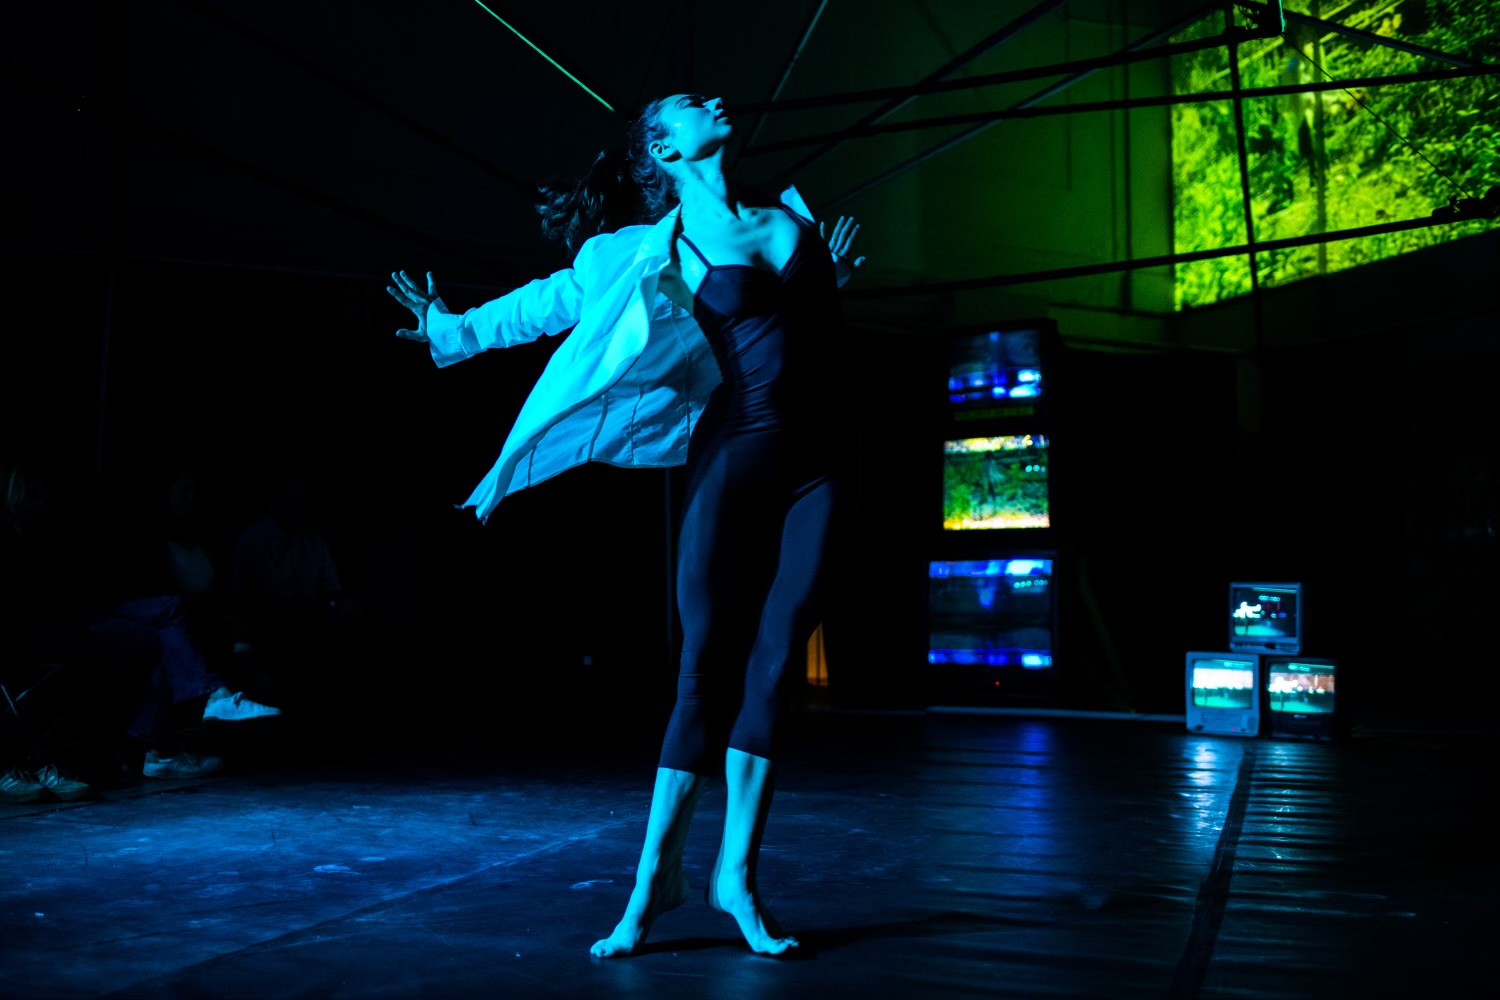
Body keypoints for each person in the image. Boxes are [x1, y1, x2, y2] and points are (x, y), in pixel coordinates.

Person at [387, 92, 865, 958]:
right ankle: (653, 883)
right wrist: (451, 329)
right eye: (690, 105)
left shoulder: (792, 221)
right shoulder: (651, 250)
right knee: (704, 668)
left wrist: (833, 281)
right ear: (665, 149)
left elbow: (805, 339)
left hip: (821, 467)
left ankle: (735, 878)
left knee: (775, 663)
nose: (714, 101)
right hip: (736, 459)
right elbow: (549, 302)